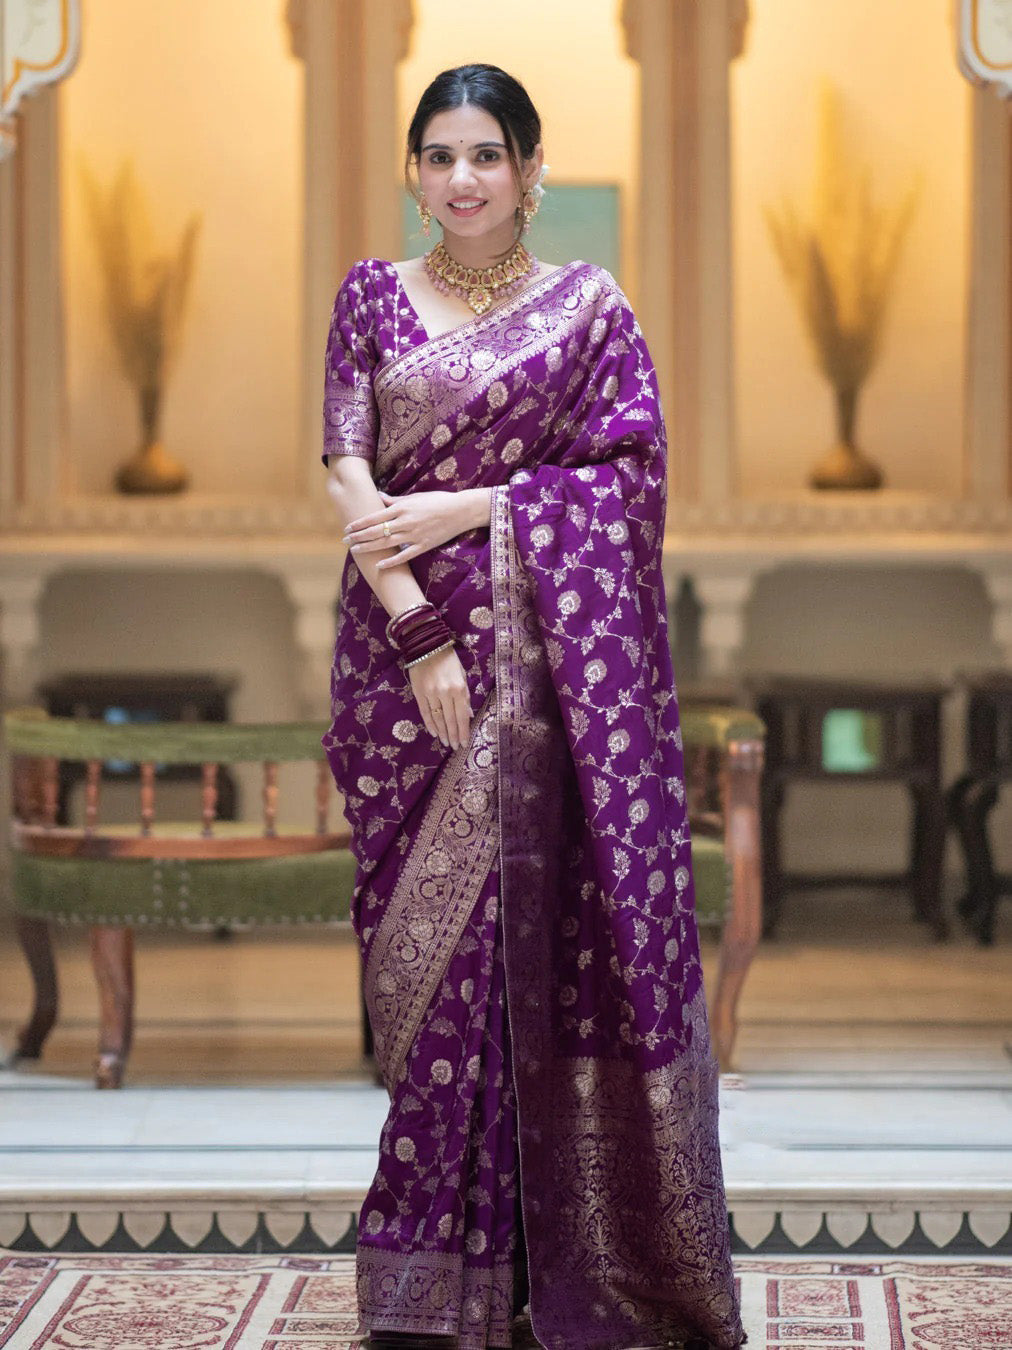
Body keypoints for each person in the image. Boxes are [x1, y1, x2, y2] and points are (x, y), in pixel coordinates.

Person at [321, 62, 746, 1350]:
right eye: (440, 155)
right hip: (406, 672)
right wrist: (422, 632)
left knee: (542, 952)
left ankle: (541, 1268)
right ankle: (425, 1279)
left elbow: (624, 485)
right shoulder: (370, 301)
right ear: (413, 168)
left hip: (549, 682)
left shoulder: (589, 311)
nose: (463, 179)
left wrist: (470, 505)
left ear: (529, 170)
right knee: (429, 969)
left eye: (487, 156)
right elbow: (345, 468)